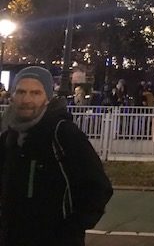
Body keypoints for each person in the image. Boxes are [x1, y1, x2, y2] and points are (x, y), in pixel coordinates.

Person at [0, 66, 113, 246]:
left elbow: (97, 187)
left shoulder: (62, 133)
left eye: (35, 93)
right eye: (21, 91)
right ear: (12, 95)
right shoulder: (8, 136)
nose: (26, 99)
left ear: (48, 98)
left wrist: (70, 229)